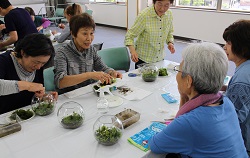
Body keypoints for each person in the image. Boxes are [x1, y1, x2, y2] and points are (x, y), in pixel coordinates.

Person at [148, 42, 248, 157]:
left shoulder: (189, 122)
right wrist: (185, 95)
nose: (177, 76)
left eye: (179, 71)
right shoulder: (226, 102)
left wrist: (183, 95)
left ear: (188, 81)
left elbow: (155, 145)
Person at [54, 13, 122, 94]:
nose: (89, 39)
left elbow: (102, 68)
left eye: (91, 33)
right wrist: (89, 75)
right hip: (70, 97)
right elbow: (60, 82)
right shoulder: (62, 53)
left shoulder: (91, 49)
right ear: (73, 34)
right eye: (85, 34)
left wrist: (112, 72)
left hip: (88, 93)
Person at [0, 33, 58, 114]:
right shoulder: (4, 61)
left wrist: (43, 97)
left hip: (28, 115)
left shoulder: (38, 67)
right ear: (23, 53)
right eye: (36, 62)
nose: (38, 67)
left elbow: (28, 97)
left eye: (43, 63)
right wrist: (28, 85)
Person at [223, 20, 250, 155]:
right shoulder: (246, 68)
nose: (224, 47)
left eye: (228, 43)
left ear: (241, 45)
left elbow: (232, 118)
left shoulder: (242, 79)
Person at [124, 0, 175, 68]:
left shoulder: (169, 14)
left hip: (159, 58)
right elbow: (129, 36)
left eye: (166, 5)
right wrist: (133, 51)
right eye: (159, 4)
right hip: (144, 59)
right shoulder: (144, 15)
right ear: (154, 2)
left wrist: (170, 42)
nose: (162, 9)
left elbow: (169, 32)